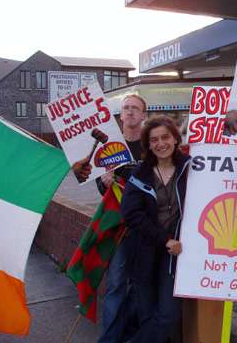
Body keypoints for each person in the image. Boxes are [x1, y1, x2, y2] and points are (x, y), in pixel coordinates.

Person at [121, 115, 190, 343]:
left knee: (167, 315)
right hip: (144, 253)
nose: (161, 144)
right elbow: (132, 215)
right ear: (148, 144)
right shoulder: (139, 174)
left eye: (165, 137)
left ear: (175, 138)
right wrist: (165, 239)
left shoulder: (190, 168)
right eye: (154, 140)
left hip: (175, 256)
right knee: (147, 315)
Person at [97, 94, 147, 343]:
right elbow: (99, 186)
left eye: (135, 109)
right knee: (116, 283)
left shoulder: (151, 146)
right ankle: (109, 338)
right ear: (120, 116)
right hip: (117, 228)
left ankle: (131, 334)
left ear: (143, 115)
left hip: (145, 229)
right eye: (126, 108)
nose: (129, 112)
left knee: (140, 284)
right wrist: (104, 181)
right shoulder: (110, 147)